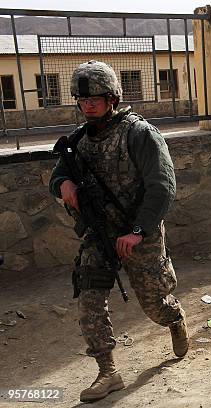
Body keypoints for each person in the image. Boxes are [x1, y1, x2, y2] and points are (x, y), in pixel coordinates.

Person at [48, 60, 189, 402]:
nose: (89, 104)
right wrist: (63, 184)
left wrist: (138, 230)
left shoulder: (139, 134)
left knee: (154, 306)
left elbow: (161, 187)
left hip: (139, 234)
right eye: (82, 99)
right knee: (89, 298)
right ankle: (108, 372)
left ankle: (174, 318)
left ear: (112, 97)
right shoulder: (79, 141)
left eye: (96, 97)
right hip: (99, 235)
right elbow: (57, 175)